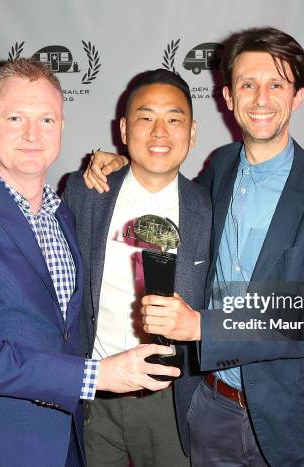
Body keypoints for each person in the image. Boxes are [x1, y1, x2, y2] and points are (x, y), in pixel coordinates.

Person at [83, 28, 304, 467]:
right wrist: (122, 163)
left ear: (299, 96)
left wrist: (201, 328)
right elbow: (164, 189)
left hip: (295, 419)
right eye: (248, 84)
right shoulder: (221, 167)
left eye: (277, 84)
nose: (262, 98)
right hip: (212, 410)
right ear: (229, 97)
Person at [0, 58, 179, 467]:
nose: (32, 134)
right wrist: (96, 376)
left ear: (62, 127)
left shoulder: (63, 211)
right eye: (15, 118)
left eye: (47, 120)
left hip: (66, 440)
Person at [63, 69, 211, 467]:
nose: (160, 131)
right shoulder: (86, 191)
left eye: (174, 119)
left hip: (171, 406)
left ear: (192, 132)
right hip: (94, 395)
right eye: (146, 118)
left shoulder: (209, 207)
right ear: (125, 130)